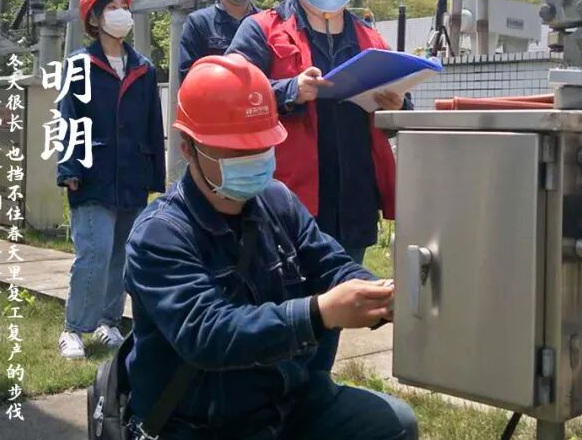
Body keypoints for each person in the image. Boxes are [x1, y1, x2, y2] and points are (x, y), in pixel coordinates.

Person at [124, 54, 417, 440]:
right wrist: (317, 314)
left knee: (393, 425)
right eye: (236, 150)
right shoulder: (159, 235)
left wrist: (377, 293)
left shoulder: (278, 201)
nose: (253, 159)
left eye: (262, 146)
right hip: (200, 422)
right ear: (188, 148)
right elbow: (209, 334)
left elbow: (328, 262)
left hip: (284, 400)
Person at [227, 0, 409, 371]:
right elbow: (229, 94)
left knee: (331, 323)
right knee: (281, 319)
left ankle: (313, 394)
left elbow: (398, 117)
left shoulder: (370, 39)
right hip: (287, 207)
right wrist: (289, 90)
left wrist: (396, 106)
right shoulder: (263, 30)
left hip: (352, 206)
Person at [56, 0, 165, 359]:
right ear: (94, 19)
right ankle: (74, 328)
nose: (121, 13)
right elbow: (68, 118)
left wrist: (155, 176)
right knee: (95, 253)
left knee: (122, 254)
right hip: (92, 174)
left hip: (132, 175)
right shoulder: (79, 65)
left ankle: (108, 322)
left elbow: (153, 125)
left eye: (124, 6)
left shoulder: (144, 68)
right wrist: (69, 166)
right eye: (111, 7)